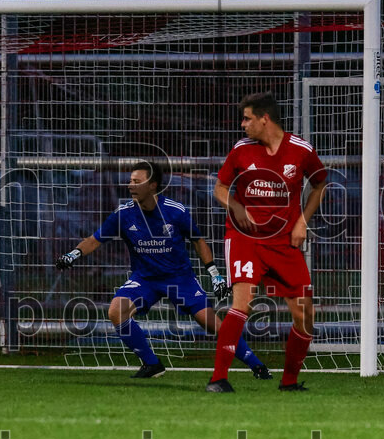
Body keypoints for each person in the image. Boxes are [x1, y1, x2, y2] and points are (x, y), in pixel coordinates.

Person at [56, 162, 270, 380]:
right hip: (145, 279)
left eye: (137, 181)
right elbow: (94, 240)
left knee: (211, 323)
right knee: (115, 311)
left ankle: (257, 366)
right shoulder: (123, 214)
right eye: (130, 180)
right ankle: (152, 363)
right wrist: (72, 255)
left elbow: (198, 241)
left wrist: (215, 275)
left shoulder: (175, 211)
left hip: (179, 278)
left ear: (153, 186)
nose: (130, 185)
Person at [207, 92, 327, 393]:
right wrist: (235, 206)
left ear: (265, 119)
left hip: (284, 242)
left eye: (247, 118)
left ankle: (288, 382)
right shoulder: (241, 150)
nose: (242, 124)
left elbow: (319, 184)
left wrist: (302, 221)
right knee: (242, 303)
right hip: (245, 238)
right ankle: (218, 379)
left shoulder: (301, 150)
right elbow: (220, 188)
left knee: (305, 313)